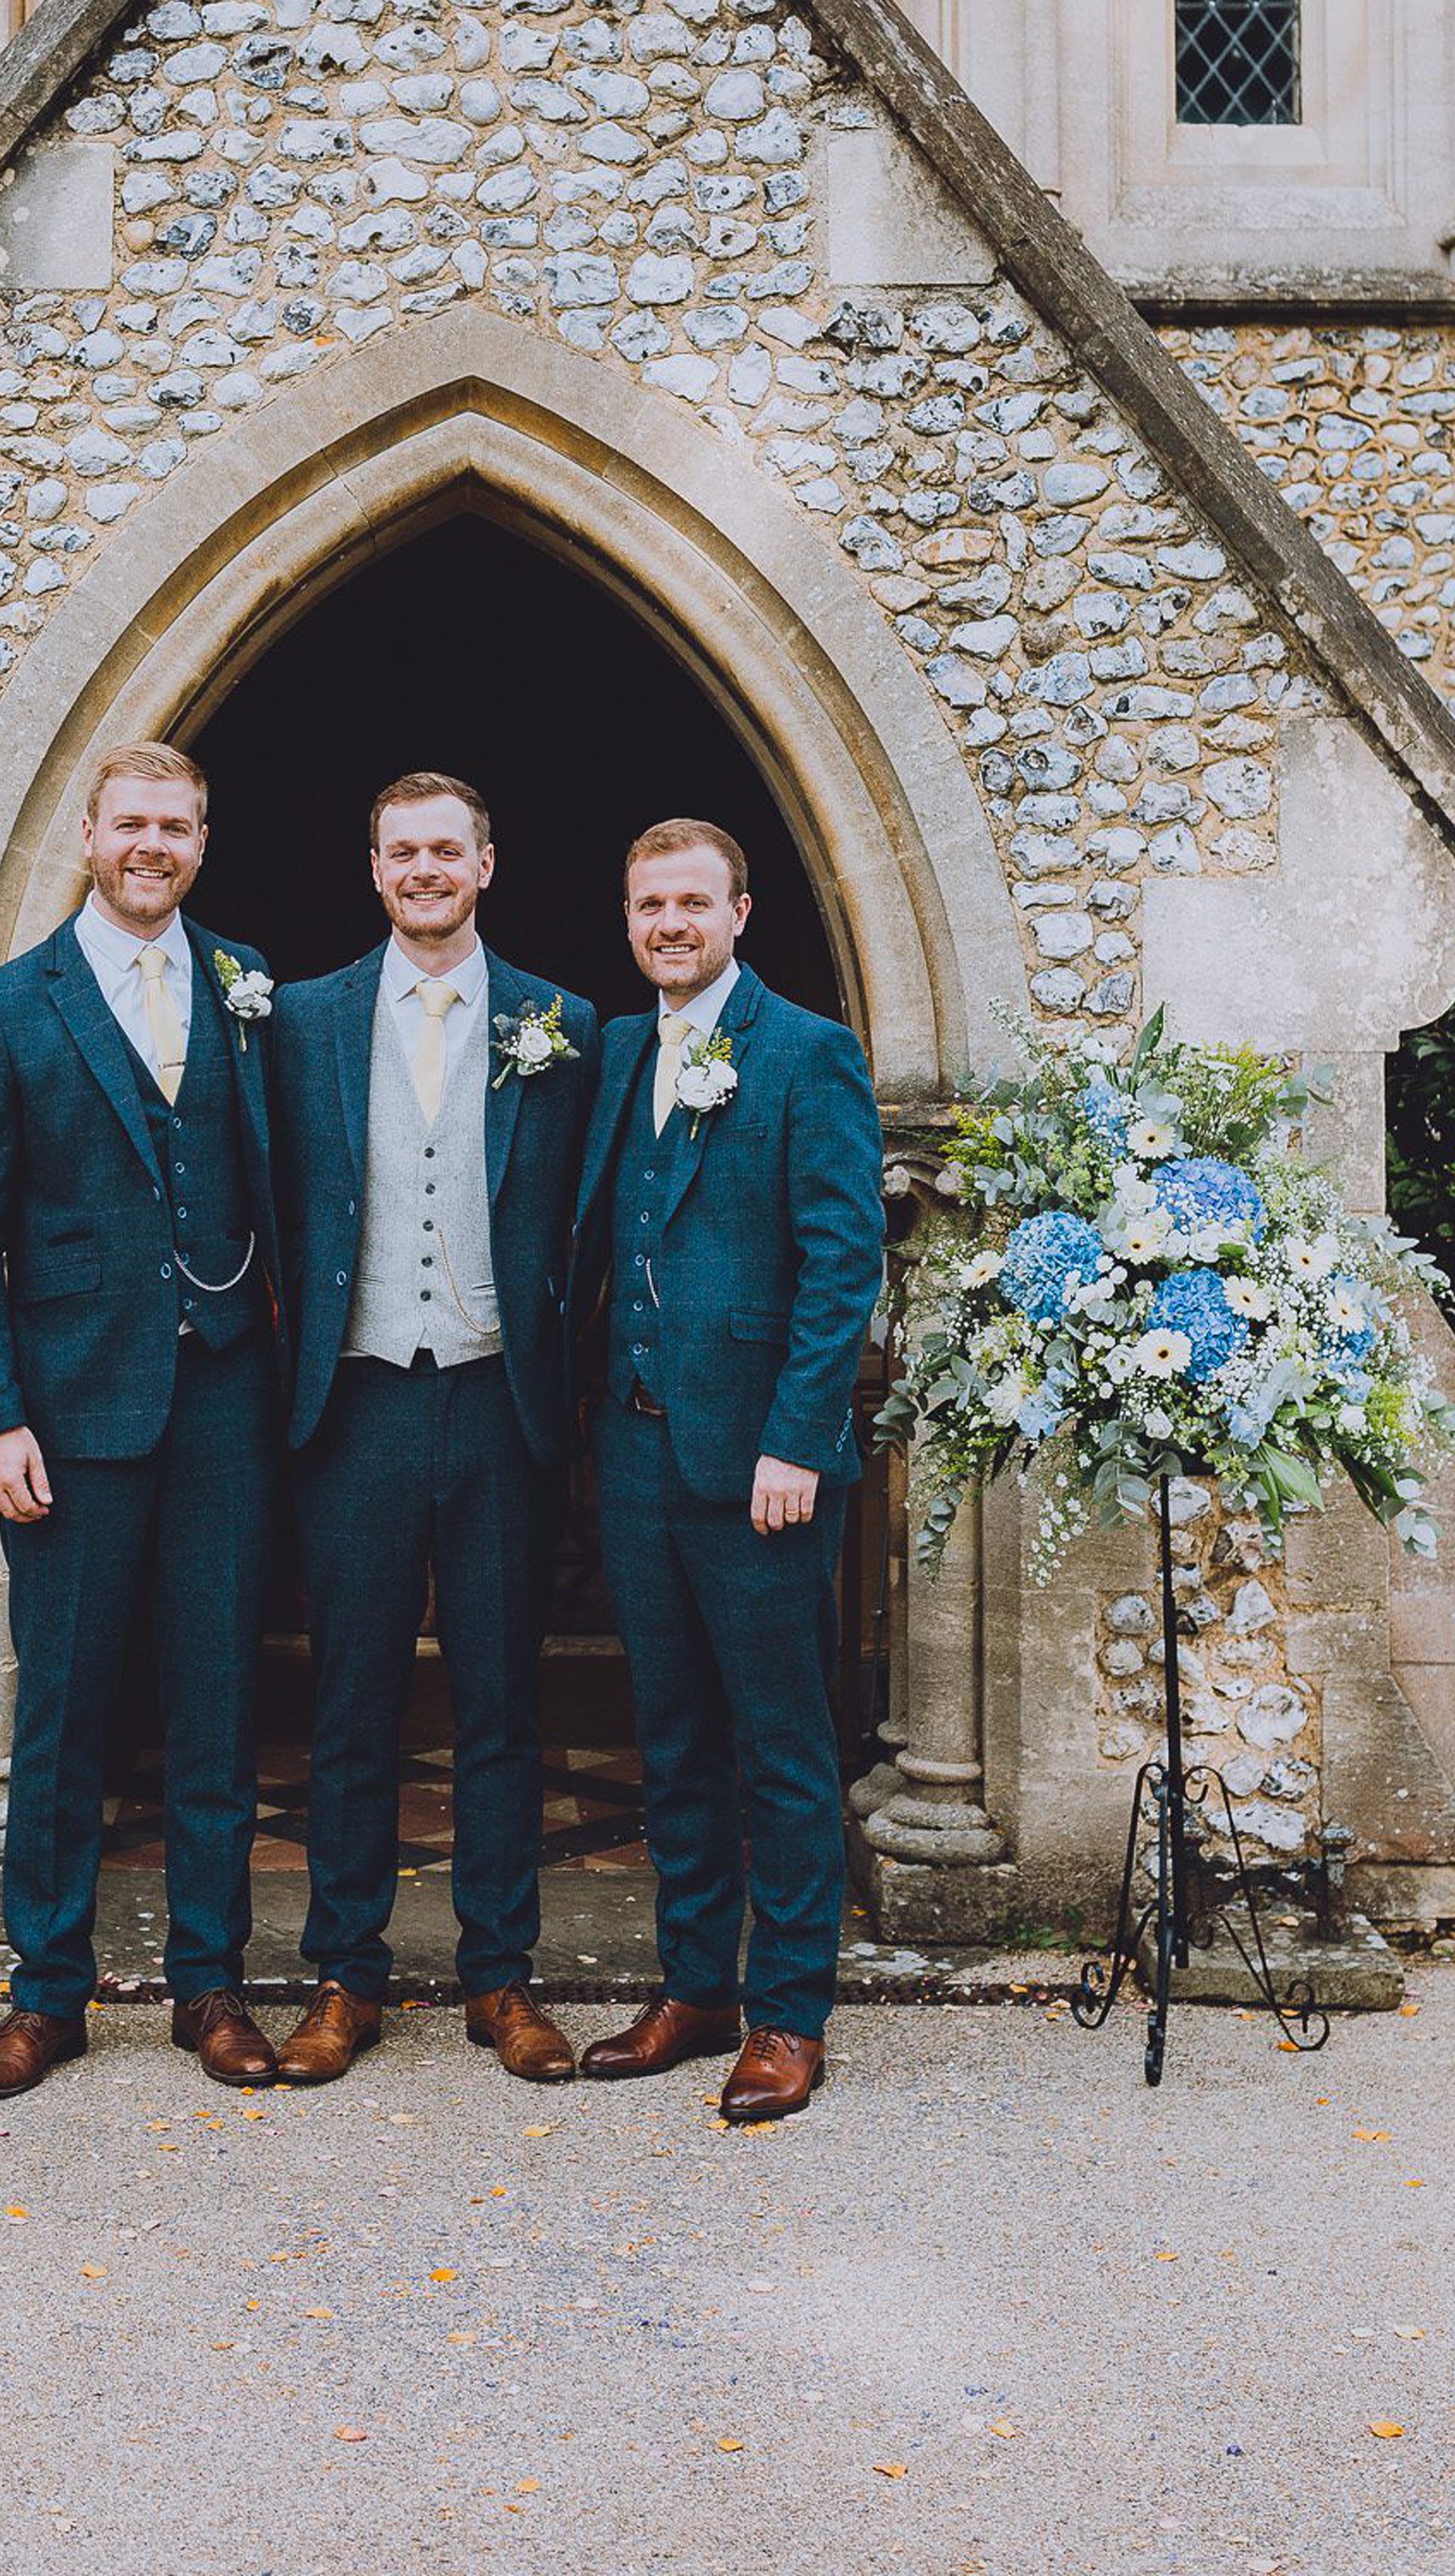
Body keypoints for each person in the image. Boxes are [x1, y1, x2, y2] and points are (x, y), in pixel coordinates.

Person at [0, 741, 284, 2097]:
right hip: (70, 1416)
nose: (155, 843)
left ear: (204, 839)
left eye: (179, 825)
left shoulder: (250, 989)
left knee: (218, 1702)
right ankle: (47, 1991)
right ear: (89, 833)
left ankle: (211, 1985)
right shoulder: (8, 1007)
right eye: (133, 822)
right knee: (65, 1712)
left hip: (227, 1407)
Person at [266, 773, 596, 2087]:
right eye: (401, 850)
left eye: (445, 850)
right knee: (349, 1702)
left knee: (502, 1701)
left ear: (486, 865)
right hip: (355, 1398)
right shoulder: (300, 1020)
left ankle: (499, 1976)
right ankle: (345, 1974)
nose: (424, 869)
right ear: (374, 866)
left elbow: (592, 1197)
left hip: (496, 1393)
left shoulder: (563, 1024)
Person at [572, 820, 885, 2122]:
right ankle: (697, 1983)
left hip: (762, 1464)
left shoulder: (810, 1053)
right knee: (675, 1737)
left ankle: (790, 2012)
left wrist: (797, 1439)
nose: (670, 923)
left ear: (741, 912)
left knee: (782, 1742)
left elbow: (841, 1263)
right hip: (637, 1450)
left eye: (693, 901)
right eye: (649, 903)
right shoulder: (618, 1051)